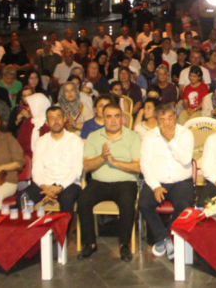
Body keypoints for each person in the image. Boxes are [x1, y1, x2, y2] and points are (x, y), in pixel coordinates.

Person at [78, 104, 141, 262]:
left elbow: (137, 167)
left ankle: (124, 245)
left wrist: (114, 162)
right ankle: (90, 243)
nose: (113, 120)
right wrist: (102, 158)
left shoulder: (133, 136)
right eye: (109, 116)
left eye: (116, 116)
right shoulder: (94, 136)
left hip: (125, 181)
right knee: (83, 200)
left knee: (127, 202)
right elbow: (86, 166)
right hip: (99, 182)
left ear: (122, 118)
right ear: (103, 119)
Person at [140, 104, 195, 260]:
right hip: (157, 180)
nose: (167, 123)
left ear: (175, 117)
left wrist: (171, 139)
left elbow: (185, 159)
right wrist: (156, 186)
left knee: (184, 204)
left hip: (181, 180)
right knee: (144, 203)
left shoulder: (186, 134)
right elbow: (145, 165)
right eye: (162, 119)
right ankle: (165, 239)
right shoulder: (150, 137)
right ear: (157, 120)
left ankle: (168, 238)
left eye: (170, 118)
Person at [23, 106, 83, 213]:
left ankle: (64, 230)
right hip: (44, 183)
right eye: (52, 118)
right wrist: (44, 187)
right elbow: (36, 170)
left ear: (64, 119)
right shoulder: (41, 141)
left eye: (58, 117)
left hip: (68, 183)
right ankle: (33, 229)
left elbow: (76, 170)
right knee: (22, 198)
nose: (56, 121)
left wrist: (59, 187)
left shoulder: (75, 140)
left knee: (67, 199)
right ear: (46, 123)